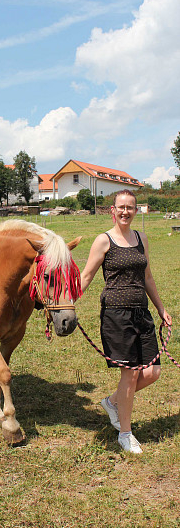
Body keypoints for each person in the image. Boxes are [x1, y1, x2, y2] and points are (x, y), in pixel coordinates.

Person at [80, 189, 172, 454]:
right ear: (113, 210)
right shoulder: (103, 240)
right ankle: (125, 433)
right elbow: (86, 276)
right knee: (130, 374)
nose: (125, 211)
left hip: (142, 313)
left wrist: (161, 308)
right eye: (120, 207)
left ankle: (112, 402)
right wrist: (68, 303)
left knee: (153, 371)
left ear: (136, 210)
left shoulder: (141, 238)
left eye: (130, 207)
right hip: (116, 314)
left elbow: (148, 278)